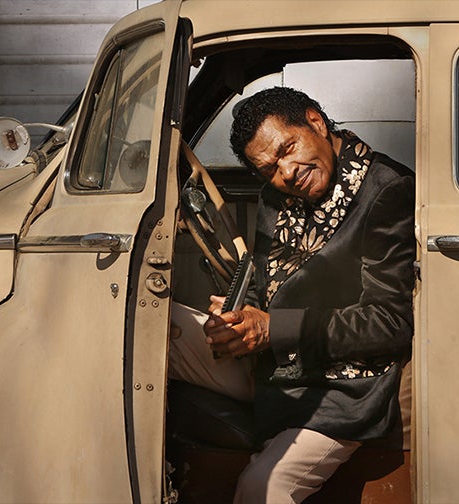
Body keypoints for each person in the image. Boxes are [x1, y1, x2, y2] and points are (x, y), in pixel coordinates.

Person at [169, 86, 416, 503]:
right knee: (156, 328)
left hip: (341, 387)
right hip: (272, 367)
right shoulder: (275, 196)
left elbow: (389, 324)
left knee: (264, 488)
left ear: (316, 122)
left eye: (288, 148)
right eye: (269, 168)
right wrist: (237, 317)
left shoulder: (385, 190)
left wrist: (271, 329)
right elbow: (269, 288)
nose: (286, 172)